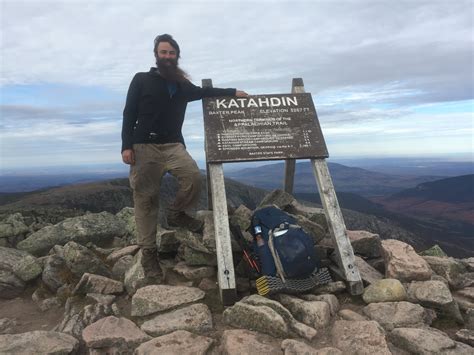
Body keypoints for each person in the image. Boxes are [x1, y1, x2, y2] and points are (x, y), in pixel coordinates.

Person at [121, 34, 247, 281]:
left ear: (177, 56)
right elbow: (129, 112)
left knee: (193, 177)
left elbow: (203, 92)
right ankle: (149, 254)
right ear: (156, 55)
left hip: (173, 145)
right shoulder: (142, 80)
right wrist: (127, 145)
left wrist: (232, 92)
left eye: (172, 53)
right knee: (146, 199)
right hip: (144, 146)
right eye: (163, 52)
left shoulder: (180, 84)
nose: (167, 57)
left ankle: (177, 213)